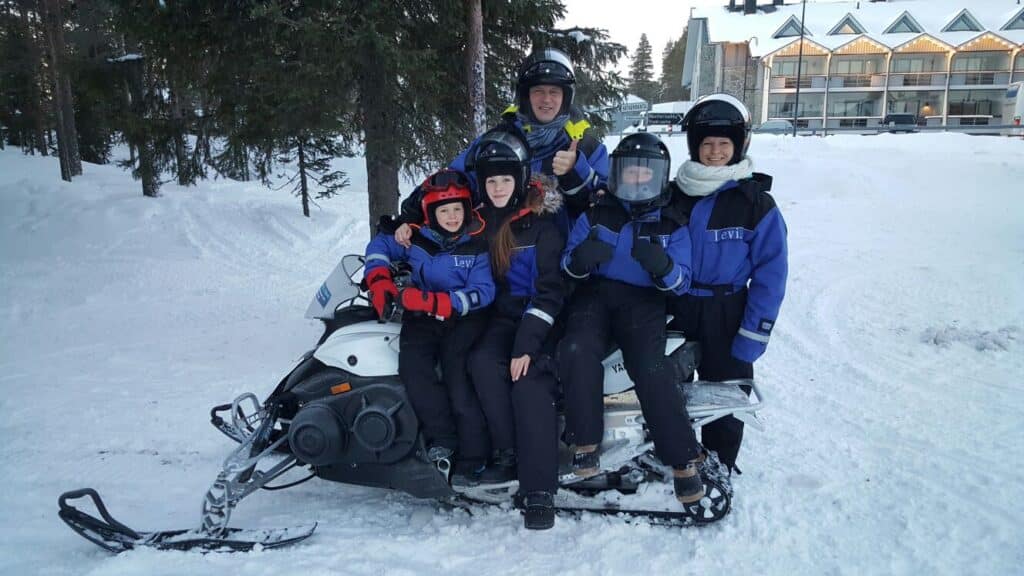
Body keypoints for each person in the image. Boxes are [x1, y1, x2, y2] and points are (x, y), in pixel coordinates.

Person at [558, 132, 707, 506]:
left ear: (658, 176)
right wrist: (581, 260)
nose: (637, 179)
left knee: (650, 366)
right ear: (617, 174)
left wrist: (663, 266)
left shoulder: (671, 222)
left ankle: (683, 459)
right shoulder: (597, 212)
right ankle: (585, 441)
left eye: (645, 173)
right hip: (595, 295)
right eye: (630, 172)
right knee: (576, 348)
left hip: (644, 301)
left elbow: (682, 282)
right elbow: (568, 263)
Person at [666, 94, 788, 474]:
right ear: (694, 145)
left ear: (738, 146)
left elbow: (771, 273)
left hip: (727, 310)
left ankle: (719, 465)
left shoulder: (755, 203)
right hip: (676, 305)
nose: (715, 152)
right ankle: (676, 459)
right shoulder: (672, 194)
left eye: (724, 144)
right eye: (707, 143)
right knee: (666, 391)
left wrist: (755, 332)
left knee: (726, 395)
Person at [392, 48, 608, 242]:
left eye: (554, 92)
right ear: (525, 96)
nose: (546, 99)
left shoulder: (585, 146)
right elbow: (454, 180)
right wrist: (411, 216)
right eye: (538, 91)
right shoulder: (499, 140)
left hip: (564, 258)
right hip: (505, 254)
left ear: (566, 96)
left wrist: (576, 171)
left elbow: (607, 204)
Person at [363, 169, 496, 482]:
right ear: (431, 213)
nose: (452, 217)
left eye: (457, 209)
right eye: (444, 211)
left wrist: (435, 302)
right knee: (414, 369)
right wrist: (379, 279)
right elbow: (380, 246)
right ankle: (442, 440)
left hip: (463, 319)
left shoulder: (476, 244)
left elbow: (484, 291)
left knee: (457, 375)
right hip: (420, 318)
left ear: (467, 210)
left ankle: (476, 453)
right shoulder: (416, 238)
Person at [464, 126, 566, 530]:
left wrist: (526, 345)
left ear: (520, 180)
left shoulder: (541, 224)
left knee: (529, 381)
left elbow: (552, 290)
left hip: (542, 318)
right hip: (502, 316)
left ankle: (539, 488)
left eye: (505, 180)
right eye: (491, 181)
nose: (498, 188)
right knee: (481, 362)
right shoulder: (477, 221)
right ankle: (507, 452)